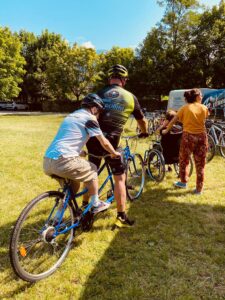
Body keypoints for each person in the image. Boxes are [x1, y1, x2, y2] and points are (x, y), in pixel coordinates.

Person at [85, 64, 149, 227]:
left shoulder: (98, 93)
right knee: (120, 178)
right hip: (113, 143)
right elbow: (141, 120)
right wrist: (144, 132)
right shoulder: (130, 97)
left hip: (94, 139)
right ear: (124, 80)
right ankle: (121, 214)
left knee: (91, 173)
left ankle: (85, 210)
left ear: (109, 79)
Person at [43, 93, 121, 215]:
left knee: (72, 190)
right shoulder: (90, 118)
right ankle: (96, 204)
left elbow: (66, 139)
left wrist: (79, 152)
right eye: (99, 112)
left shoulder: (71, 116)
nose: (98, 115)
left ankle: (57, 219)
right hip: (64, 160)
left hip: (48, 160)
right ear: (94, 108)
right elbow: (104, 142)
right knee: (92, 169)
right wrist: (114, 152)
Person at [162, 88, 209, 195]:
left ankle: (183, 182)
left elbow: (173, 120)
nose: (201, 97)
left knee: (184, 160)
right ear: (196, 97)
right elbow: (205, 117)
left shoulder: (184, 108)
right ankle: (199, 189)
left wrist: (166, 130)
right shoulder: (204, 108)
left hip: (188, 137)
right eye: (200, 95)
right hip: (202, 136)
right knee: (200, 164)